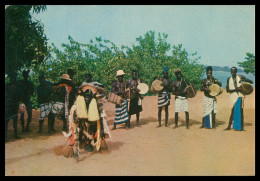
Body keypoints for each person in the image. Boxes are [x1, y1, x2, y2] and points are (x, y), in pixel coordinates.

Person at [224, 67, 253, 131]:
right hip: (233, 97)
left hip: (240, 96)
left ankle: (241, 127)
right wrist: (236, 89)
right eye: (231, 71)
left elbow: (251, 82)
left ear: (236, 71)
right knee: (232, 111)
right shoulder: (228, 79)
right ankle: (229, 126)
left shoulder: (240, 77)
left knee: (240, 111)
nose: (232, 72)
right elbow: (227, 90)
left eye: (234, 71)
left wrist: (244, 80)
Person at [5, 73, 20, 141]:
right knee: (6, 121)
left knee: (15, 120)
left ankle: (16, 134)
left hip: (14, 105)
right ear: (10, 79)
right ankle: (5, 137)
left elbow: (19, 96)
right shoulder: (6, 86)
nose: (13, 80)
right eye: (12, 78)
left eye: (14, 78)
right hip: (8, 105)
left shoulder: (17, 87)